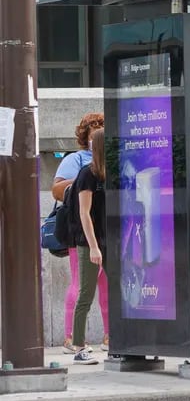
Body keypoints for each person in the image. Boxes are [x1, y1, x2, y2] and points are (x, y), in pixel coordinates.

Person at [51, 112, 108, 355]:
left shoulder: (110, 162)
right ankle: (71, 337)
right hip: (83, 234)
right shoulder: (77, 162)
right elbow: (57, 189)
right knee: (82, 285)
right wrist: (80, 184)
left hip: (105, 232)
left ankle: (109, 335)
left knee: (106, 285)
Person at [68, 127, 107, 366]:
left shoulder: (107, 173)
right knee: (86, 294)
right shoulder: (88, 174)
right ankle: (79, 346)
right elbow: (84, 213)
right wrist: (93, 247)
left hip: (107, 240)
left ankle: (118, 341)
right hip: (89, 242)